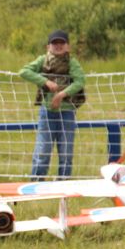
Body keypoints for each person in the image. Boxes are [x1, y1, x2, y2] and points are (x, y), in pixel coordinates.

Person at [20, 30, 86, 180]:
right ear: (48, 46)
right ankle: (37, 182)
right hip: (47, 113)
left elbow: (80, 81)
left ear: (68, 46)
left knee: (66, 151)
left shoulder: (72, 63)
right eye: (54, 43)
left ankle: (63, 184)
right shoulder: (42, 60)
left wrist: (62, 95)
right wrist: (45, 82)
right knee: (43, 150)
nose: (58, 46)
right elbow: (24, 71)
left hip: (67, 113)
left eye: (61, 43)